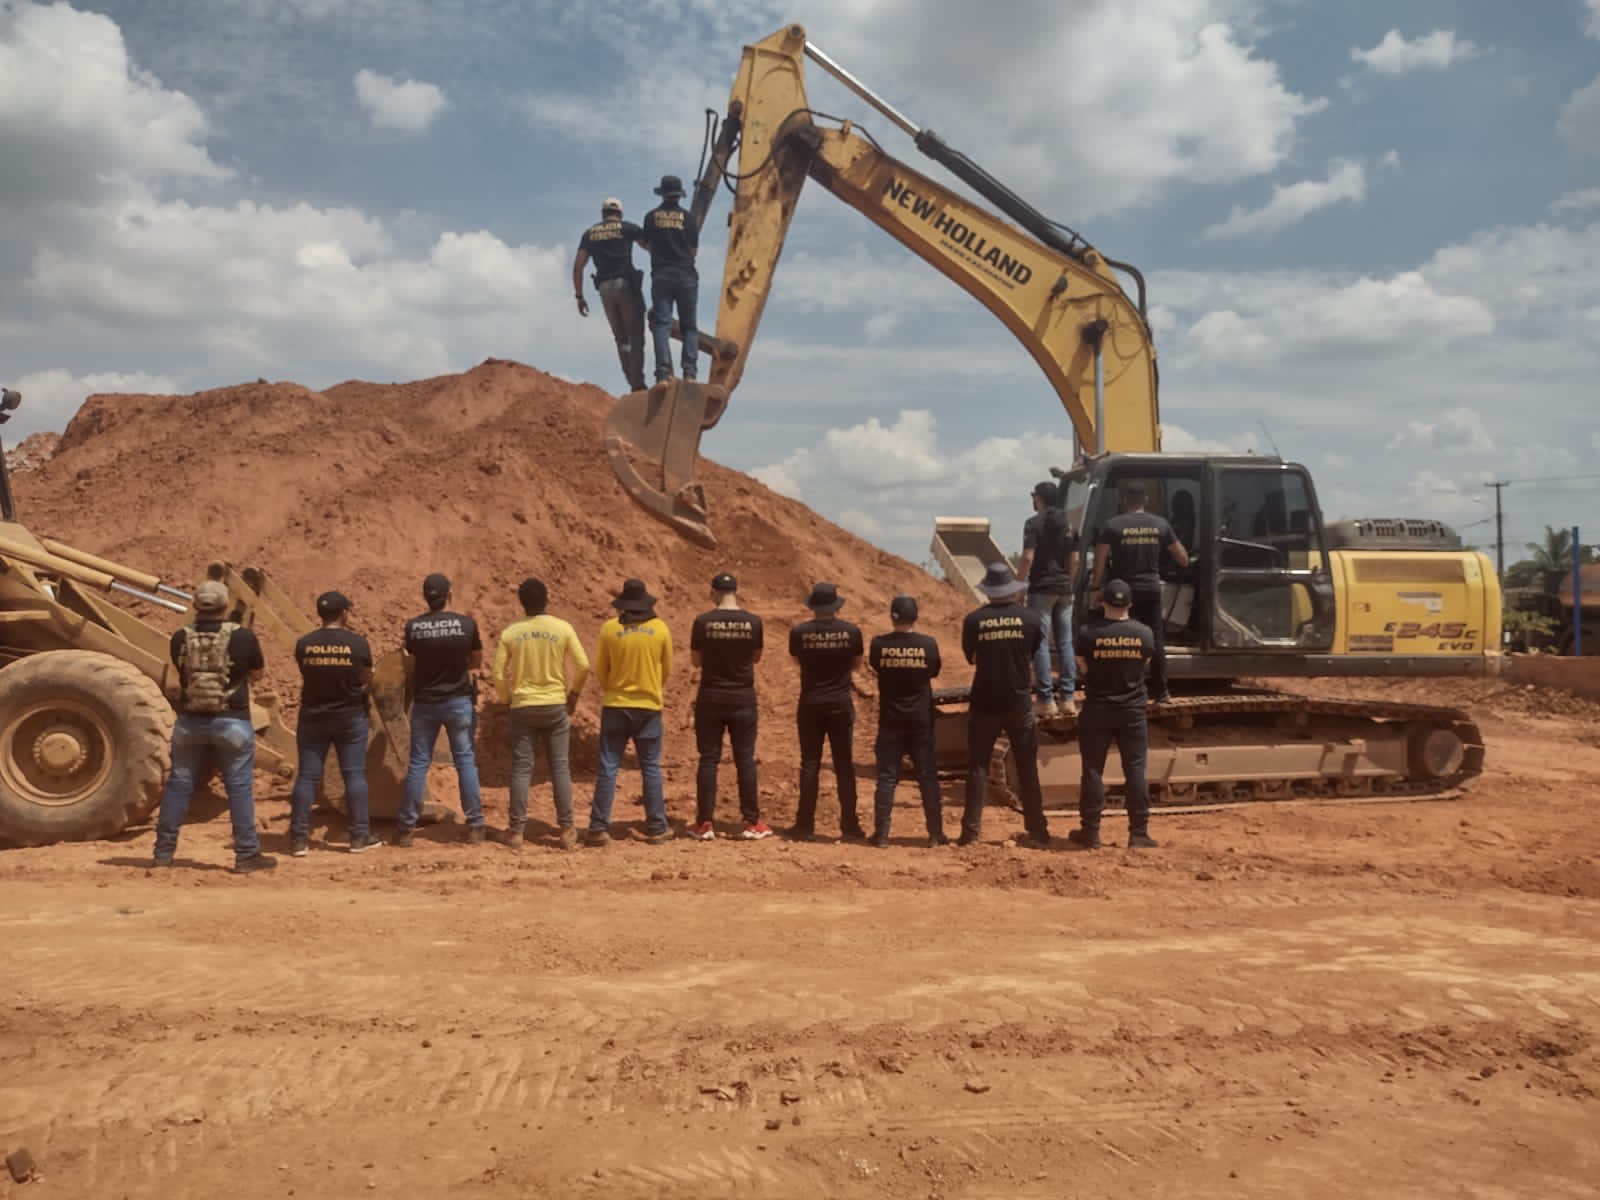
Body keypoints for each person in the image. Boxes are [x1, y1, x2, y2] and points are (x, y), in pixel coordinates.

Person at [151, 579, 276, 873]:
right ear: (225, 606)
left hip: (189, 723)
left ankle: (162, 854)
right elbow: (257, 675)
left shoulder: (180, 637)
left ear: (196, 606)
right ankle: (246, 855)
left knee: (179, 787)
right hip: (232, 722)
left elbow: (180, 672)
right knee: (240, 789)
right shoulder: (243, 637)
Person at [492, 577, 590, 850]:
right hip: (555, 705)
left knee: (522, 768)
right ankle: (568, 829)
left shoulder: (511, 633)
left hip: (523, 706)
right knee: (559, 765)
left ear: (521, 602)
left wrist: (507, 698)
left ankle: (516, 832)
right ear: (547, 599)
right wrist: (574, 694)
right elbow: (583, 665)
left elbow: (498, 673)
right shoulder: (562, 628)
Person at [959, 563, 1048, 848]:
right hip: (1018, 702)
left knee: (977, 767)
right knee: (1026, 767)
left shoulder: (974, 621)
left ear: (988, 590)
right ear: (1012, 589)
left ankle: (970, 833)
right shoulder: (1031, 620)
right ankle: (1037, 831)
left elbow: (971, 658)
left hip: (984, 702)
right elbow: (1032, 654)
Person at [395, 573, 485, 846]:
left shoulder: (413, 628)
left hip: (425, 703)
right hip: (458, 701)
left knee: (419, 763)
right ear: (449, 594)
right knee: (465, 761)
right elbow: (476, 662)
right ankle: (476, 825)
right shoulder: (466, 624)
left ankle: (406, 829)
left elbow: (410, 665)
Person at [288, 590, 380, 857]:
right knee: (353, 775)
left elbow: (307, 674)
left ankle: (298, 839)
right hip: (349, 717)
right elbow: (365, 677)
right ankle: (359, 837)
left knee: (306, 776)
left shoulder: (304, 644)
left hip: (313, 716)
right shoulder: (357, 644)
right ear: (343, 613)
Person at [1069, 579, 1158, 850]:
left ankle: (1091, 832)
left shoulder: (1086, 634)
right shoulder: (1145, 634)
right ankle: (1138, 833)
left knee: (1093, 770)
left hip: (1098, 709)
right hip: (1132, 711)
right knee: (1135, 771)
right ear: (1130, 604)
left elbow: (1082, 669)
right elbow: (1144, 666)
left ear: (1102, 602)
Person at [588, 578, 674, 845]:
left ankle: (598, 828)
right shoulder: (659, 628)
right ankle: (657, 827)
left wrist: (614, 690)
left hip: (615, 706)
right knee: (650, 767)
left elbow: (601, 670)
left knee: (608, 767)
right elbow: (666, 668)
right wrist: (650, 689)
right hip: (648, 706)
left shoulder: (609, 629)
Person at [1091, 481, 1190, 704]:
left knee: (1122, 638)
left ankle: (1126, 690)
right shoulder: (1160, 524)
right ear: (1145, 500)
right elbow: (1182, 558)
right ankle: (1162, 692)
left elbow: (1099, 561)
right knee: (1155, 639)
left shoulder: (1112, 525)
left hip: (1122, 593)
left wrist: (1096, 588)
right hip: (1151, 589)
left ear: (1124, 500)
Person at [689, 572, 769, 840]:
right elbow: (756, 657)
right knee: (745, 759)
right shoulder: (753, 622)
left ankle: (704, 823)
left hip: (710, 696)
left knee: (709, 759)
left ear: (714, 592)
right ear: (736, 591)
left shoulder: (702, 622)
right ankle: (752, 822)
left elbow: (696, 661)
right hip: (743, 697)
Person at [787, 582, 866, 842]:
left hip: (810, 702)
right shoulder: (851, 632)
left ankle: (805, 825)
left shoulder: (799, 633)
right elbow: (855, 666)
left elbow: (797, 662)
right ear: (836, 605)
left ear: (813, 606)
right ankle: (850, 826)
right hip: (840, 702)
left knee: (810, 763)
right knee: (844, 764)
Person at [867, 594, 946, 848]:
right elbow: (933, 671)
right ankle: (935, 834)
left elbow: (877, 667)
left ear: (892, 616)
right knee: (927, 776)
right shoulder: (928, 644)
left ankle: (881, 835)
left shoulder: (879, 644)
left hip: (890, 719)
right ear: (916, 618)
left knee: (887, 777)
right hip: (921, 720)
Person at [1017, 479, 1079, 719]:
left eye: (1034, 496)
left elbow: (1028, 557)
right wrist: (1068, 583)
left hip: (1041, 589)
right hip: (1064, 588)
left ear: (1039, 499)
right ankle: (1068, 699)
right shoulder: (1070, 524)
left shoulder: (1033, 523)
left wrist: (1018, 585)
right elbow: (1074, 560)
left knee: (1040, 643)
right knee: (1065, 642)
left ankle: (1045, 701)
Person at [572, 197, 647, 393]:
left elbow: (578, 266)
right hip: (626, 286)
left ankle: (632, 382)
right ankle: (638, 384)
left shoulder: (590, 234)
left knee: (621, 338)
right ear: (620, 214)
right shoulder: (628, 228)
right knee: (636, 335)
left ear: (603, 214)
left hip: (605, 290)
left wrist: (579, 296)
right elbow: (649, 246)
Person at [636, 174, 699, 384]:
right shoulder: (689, 219)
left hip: (661, 274)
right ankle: (690, 373)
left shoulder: (651, 217)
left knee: (662, 324)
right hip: (686, 275)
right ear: (679, 195)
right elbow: (693, 250)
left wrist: (659, 252)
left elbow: (645, 243)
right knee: (689, 326)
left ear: (662, 194)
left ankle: (663, 375)